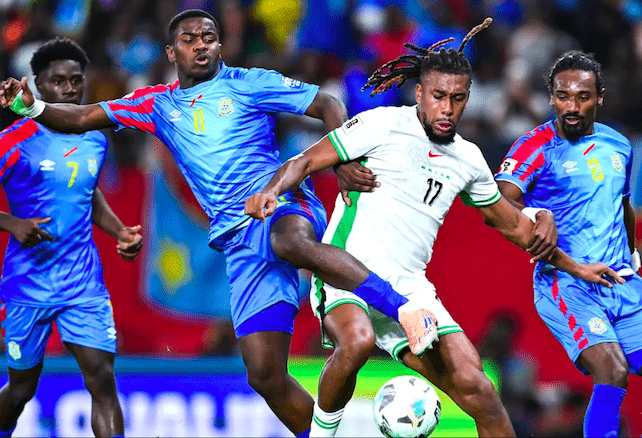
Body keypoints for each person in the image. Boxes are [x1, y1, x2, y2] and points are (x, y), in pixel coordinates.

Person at [0, 10, 443, 437]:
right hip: (237, 239)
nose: (201, 46)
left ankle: (403, 308)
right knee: (264, 373)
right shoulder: (156, 104)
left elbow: (328, 102)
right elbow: (80, 117)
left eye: (209, 38)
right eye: (190, 40)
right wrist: (32, 107)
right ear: (171, 52)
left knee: (289, 241)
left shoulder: (248, 83)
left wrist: (343, 160)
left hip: (281, 201)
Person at [244, 21, 625, 438]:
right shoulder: (381, 125)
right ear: (420, 94)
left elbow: (516, 227)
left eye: (458, 99)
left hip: (412, 289)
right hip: (349, 275)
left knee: (481, 391)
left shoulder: (469, 159)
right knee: (357, 341)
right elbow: (303, 161)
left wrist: (576, 267)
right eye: (439, 96)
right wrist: (270, 191)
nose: (447, 109)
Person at [0, 37, 143, 438]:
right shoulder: (13, 141)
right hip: (28, 284)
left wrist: (119, 231)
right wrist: (13, 224)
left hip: (83, 284)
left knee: (102, 380)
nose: (69, 88)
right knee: (21, 390)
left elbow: (88, 195)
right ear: (38, 86)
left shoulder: (94, 137)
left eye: (76, 80)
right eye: (58, 81)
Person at [495, 50, 642, 438]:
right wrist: (535, 213)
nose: (572, 107)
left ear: (600, 98)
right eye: (563, 96)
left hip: (621, 281)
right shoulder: (534, 147)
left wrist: (633, 255)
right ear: (551, 97)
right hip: (568, 285)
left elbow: (623, 206)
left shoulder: (619, 146)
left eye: (582, 97)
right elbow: (498, 201)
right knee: (612, 370)